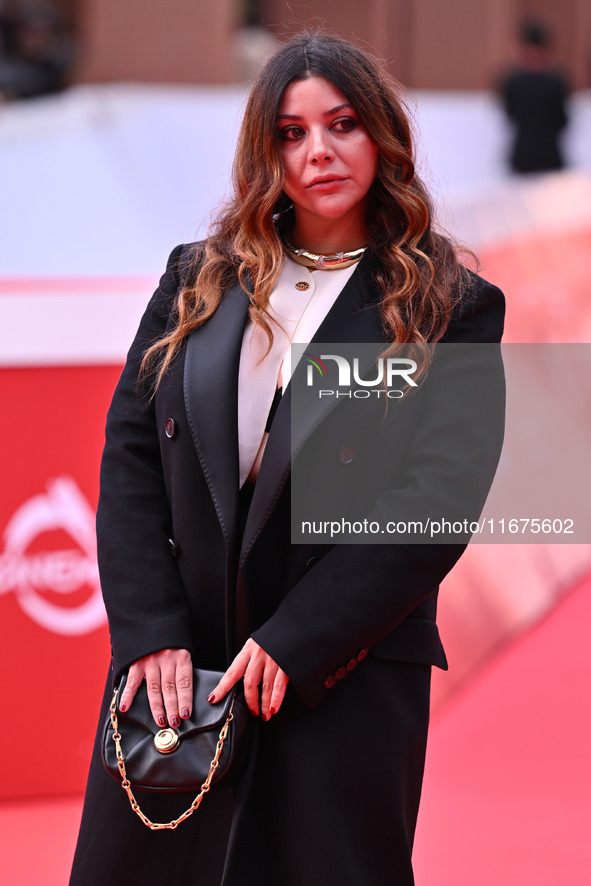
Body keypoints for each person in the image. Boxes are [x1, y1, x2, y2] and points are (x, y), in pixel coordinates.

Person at [70, 31, 505, 886]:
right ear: (263, 152)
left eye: (341, 125)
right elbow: (130, 460)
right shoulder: (195, 278)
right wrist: (149, 635)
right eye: (290, 133)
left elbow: (438, 499)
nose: (318, 153)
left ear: (380, 135)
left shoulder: (449, 305)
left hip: (339, 670)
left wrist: (298, 641)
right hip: (178, 685)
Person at [500, 18, 569, 174]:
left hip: (524, 156)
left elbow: (509, 114)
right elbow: (562, 119)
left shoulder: (514, 80)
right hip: (549, 156)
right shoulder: (556, 80)